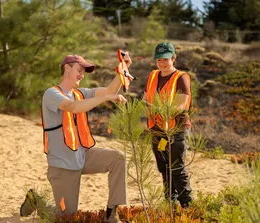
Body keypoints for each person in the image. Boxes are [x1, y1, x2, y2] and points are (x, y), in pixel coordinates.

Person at [20, 53, 132, 223]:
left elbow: (109, 91)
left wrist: (122, 70)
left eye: (83, 72)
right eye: (79, 70)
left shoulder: (80, 93)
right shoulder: (51, 94)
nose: (82, 75)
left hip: (83, 156)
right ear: (67, 68)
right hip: (63, 165)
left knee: (117, 159)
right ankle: (36, 199)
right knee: (65, 218)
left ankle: (111, 215)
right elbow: (72, 107)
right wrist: (104, 98)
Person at [143, 42, 192, 208]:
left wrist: (161, 109)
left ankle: (187, 205)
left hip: (176, 129)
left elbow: (181, 105)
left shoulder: (181, 78)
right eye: (159, 60)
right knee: (163, 166)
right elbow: (146, 97)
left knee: (176, 167)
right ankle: (169, 202)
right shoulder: (152, 75)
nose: (162, 63)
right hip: (157, 129)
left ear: (173, 58)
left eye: (165, 59)